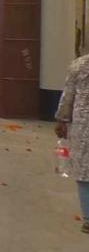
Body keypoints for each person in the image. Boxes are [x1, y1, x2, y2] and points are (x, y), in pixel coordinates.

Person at [55, 55, 89, 234]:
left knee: (84, 171)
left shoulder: (79, 65)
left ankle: (88, 219)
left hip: (83, 124)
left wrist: (61, 120)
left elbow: (68, 96)